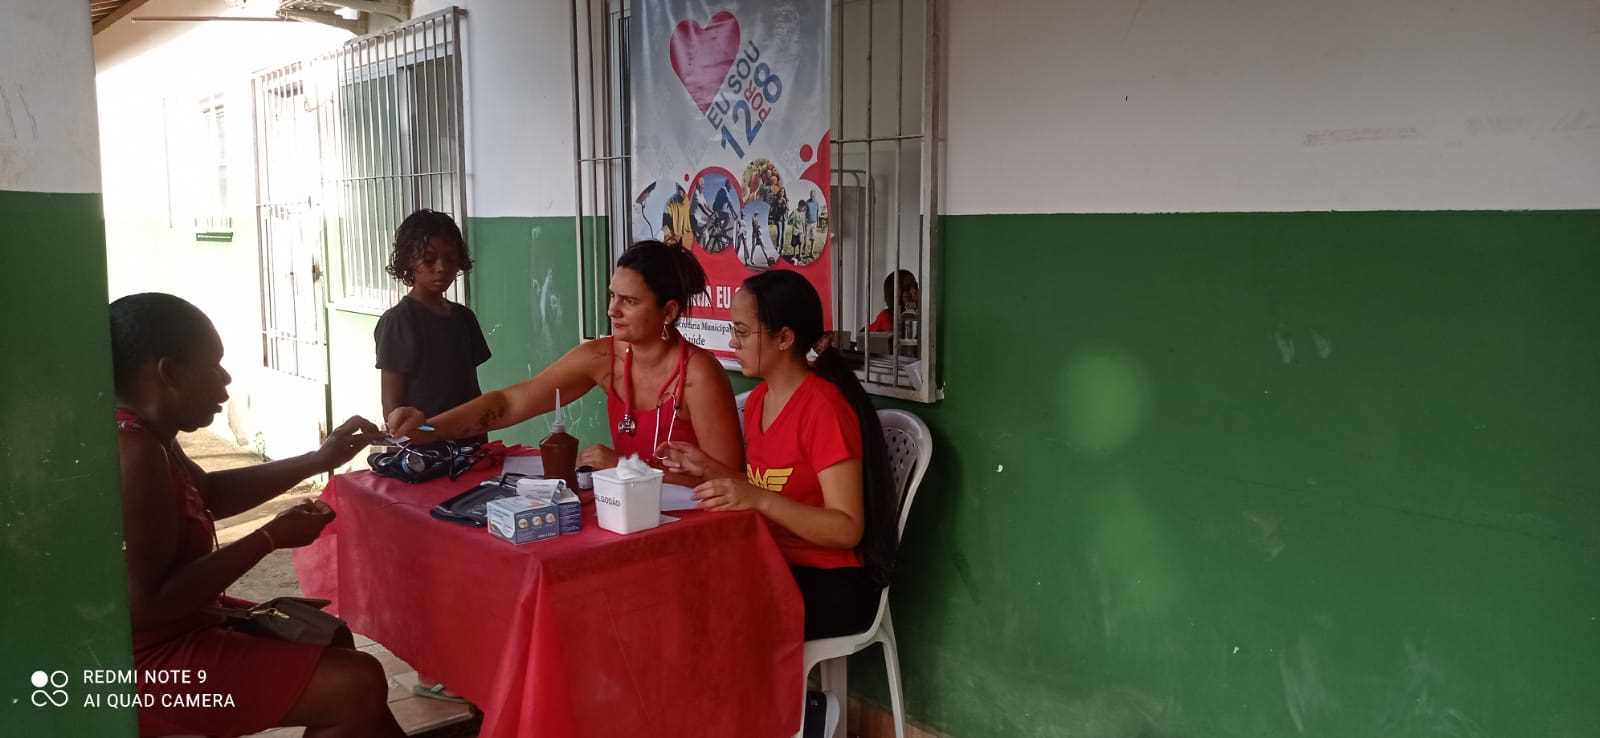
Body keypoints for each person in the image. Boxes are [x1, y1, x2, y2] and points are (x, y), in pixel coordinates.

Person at [110, 292, 400, 738]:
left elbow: (209, 493)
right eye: (214, 365)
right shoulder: (135, 452)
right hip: (144, 668)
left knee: (329, 636)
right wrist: (269, 538)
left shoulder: (152, 435)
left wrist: (319, 458)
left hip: (177, 626)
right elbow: (147, 605)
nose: (226, 382)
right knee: (356, 684)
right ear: (168, 372)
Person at [659, 270, 898, 641]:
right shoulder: (758, 402)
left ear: (784, 338)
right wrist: (706, 468)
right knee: (674, 594)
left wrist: (758, 499)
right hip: (774, 560)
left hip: (830, 579)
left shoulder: (823, 409)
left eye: (742, 332)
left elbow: (846, 528)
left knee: (709, 619)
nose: (733, 342)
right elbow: (765, 488)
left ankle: (807, 702)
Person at [386, 240, 743, 480]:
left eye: (630, 302)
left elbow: (730, 481)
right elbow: (510, 403)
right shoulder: (603, 357)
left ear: (669, 311)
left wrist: (621, 466)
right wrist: (426, 429)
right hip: (632, 518)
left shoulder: (699, 375)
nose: (612, 311)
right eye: (612, 296)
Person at [375, 209, 491, 445]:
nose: (441, 267)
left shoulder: (464, 318)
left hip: (469, 444)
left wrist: (481, 440)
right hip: (423, 450)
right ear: (409, 260)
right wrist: (415, 441)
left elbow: (472, 392)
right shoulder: (398, 321)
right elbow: (392, 409)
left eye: (450, 259)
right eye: (429, 259)